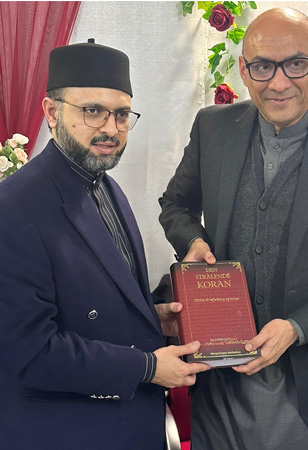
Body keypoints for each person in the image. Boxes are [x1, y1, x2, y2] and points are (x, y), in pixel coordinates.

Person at [158, 7, 308, 449]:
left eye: (295, 64)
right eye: (263, 66)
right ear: (244, 70)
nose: (279, 83)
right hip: (218, 384)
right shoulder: (213, 127)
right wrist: (194, 240)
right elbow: (176, 204)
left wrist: (297, 328)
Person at [0, 40, 208, 449]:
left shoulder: (107, 187)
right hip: (66, 433)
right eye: (92, 111)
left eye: (122, 114)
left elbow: (93, 301)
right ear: (52, 112)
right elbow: (30, 351)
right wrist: (147, 367)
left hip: (127, 426)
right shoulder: (14, 207)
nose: (110, 128)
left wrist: (153, 318)